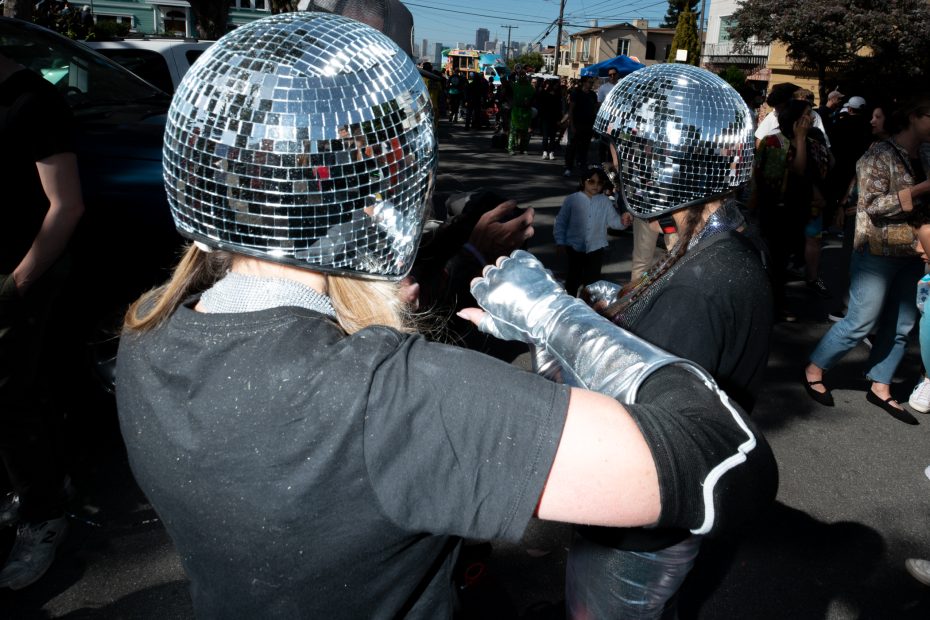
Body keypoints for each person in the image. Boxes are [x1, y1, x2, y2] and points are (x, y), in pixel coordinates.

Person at [115, 14, 777, 617]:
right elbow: (726, 461)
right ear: (382, 197)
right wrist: (558, 319)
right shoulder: (399, 396)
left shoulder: (144, 330)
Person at [560, 63, 773, 619]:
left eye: (624, 158)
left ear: (666, 167)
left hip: (645, 525)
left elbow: (645, 422)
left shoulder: (702, 284)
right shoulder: (723, 237)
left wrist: (559, 328)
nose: (615, 170)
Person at [0, 51, 84, 589]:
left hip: (19, 276)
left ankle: (44, 516)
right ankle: (34, 490)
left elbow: (66, 205)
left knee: (11, 397)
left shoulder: (33, 100)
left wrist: (17, 284)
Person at [803, 94, 930, 421]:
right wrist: (919, 190)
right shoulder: (878, 155)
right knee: (862, 320)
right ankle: (815, 369)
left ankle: (881, 386)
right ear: (914, 116)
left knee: (902, 325)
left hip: (914, 251)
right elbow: (872, 206)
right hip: (878, 250)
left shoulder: (926, 154)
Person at [753, 99, 834, 318]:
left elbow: (825, 170)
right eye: (807, 114)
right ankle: (774, 305)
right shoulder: (774, 142)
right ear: (795, 118)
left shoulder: (812, 143)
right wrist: (799, 139)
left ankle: (776, 300)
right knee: (775, 261)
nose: (811, 118)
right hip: (776, 211)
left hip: (800, 211)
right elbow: (796, 171)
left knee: (785, 259)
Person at [553, 166, 631, 296]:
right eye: (591, 181)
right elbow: (561, 221)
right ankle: (569, 304)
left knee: (593, 283)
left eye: (599, 182)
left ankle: (588, 307)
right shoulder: (572, 200)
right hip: (574, 247)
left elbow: (613, 221)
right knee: (573, 279)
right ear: (583, 182)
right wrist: (560, 241)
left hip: (596, 248)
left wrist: (623, 222)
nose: (595, 185)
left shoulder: (605, 201)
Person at [561, 75, 598, 177]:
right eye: (589, 82)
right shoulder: (576, 93)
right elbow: (571, 110)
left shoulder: (593, 95)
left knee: (584, 147)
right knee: (572, 146)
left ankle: (582, 165)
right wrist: (572, 124)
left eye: (592, 82)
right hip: (576, 124)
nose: (591, 84)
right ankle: (568, 167)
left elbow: (594, 110)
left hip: (588, 124)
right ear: (584, 82)